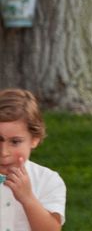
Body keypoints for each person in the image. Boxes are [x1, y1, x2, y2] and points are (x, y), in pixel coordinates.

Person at [0, 88, 66, 231]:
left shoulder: (48, 180)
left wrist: (27, 198)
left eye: (15, 142)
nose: (4, 152)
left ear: (34, 140)